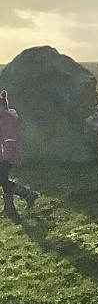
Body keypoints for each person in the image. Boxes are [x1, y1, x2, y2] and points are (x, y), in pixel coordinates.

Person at [0, 90, 38, 222]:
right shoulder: (2, 119)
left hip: (7, 156)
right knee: (3, 181)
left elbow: (10, 140)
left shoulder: (6, 120)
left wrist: (5, 156)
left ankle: (27, 194)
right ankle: (11, 208)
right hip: (4, 154)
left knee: (2, 180)